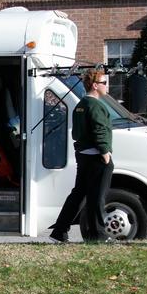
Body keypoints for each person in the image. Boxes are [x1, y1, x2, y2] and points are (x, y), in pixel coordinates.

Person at [50, 68, 114, 244]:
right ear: (95, 85)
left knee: (78, 195)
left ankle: (60, 230)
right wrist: (104, 152)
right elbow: (99, 130)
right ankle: (99, 235)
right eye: (104, 83)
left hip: (83, 156)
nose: (106, 86)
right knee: (97, 197)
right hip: (96, 157)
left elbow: (77, 133)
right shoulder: (96, 105)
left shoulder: (81, 105)